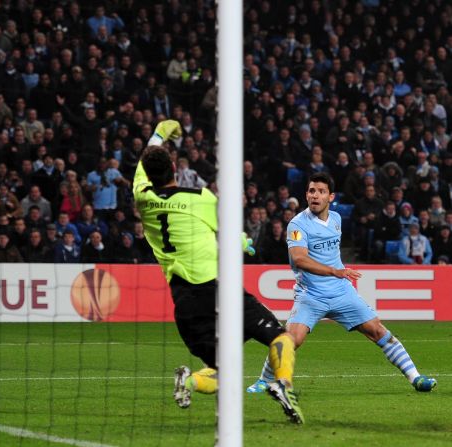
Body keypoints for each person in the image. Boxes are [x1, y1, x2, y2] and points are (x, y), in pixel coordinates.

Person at [135, 120, 303, 423]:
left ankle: (188, 382)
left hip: (185, 303)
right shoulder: (201, 198)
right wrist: (243, 242)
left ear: (147, 175)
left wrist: (159, 132)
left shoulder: (142, 198)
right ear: (174, 167)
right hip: (219, 291)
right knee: (283, 337)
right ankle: (284, 385)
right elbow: (227, 233)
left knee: (223, 374)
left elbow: (146, 161)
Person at [248, 173, 437, 394]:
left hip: (341, 292)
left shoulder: (336, 219)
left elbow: (330, 254)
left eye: (321, 191)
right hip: (311, 295)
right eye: (311, 191)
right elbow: (299, 258)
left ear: (331, 197)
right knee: (291, 340)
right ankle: (264, 379)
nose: (315, 196)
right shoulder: (297, 224)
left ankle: (416, 378)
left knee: (377, 330)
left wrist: (336, 274)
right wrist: (334, 271)